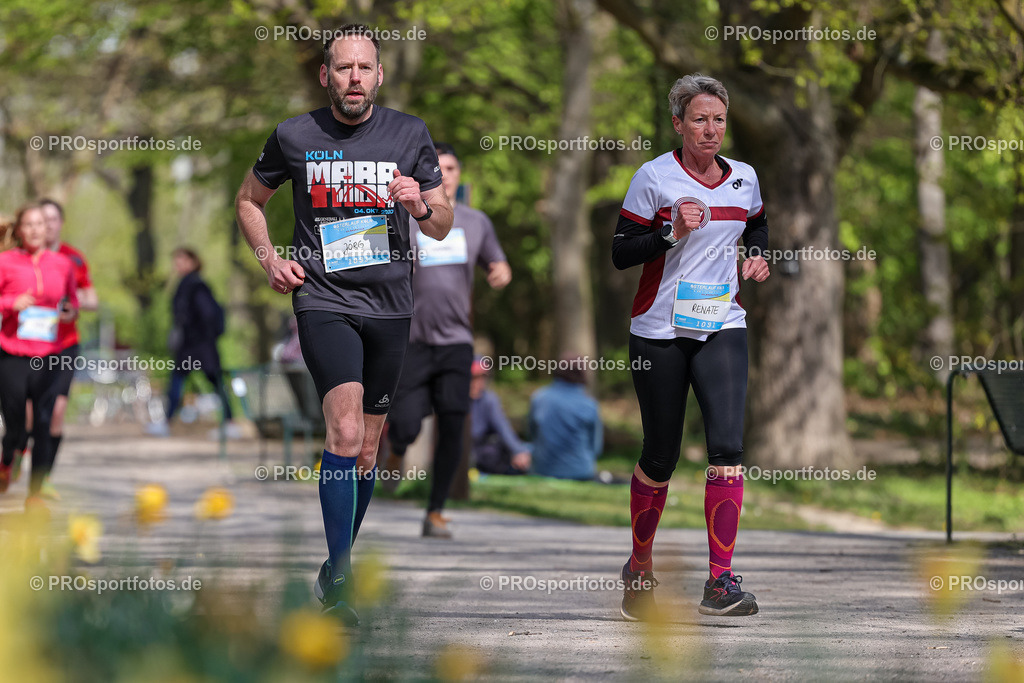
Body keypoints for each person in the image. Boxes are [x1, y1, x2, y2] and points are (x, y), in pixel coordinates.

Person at [234, 23, 453, 624]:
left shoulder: (410, 134)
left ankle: (334, 566)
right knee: (345, 432)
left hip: (390, 304)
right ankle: (345, 586)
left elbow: (441, 224)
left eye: (365, 67)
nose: (354, 78)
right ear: (325, 75)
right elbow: (249, 200)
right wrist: (269, 259)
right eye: (343, 67)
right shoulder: (294, 135)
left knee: (368, 448)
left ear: (379, 75)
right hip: (323, 300)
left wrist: (420, 204)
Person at [611, 74, 770, 621]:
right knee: (662, 453)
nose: (711, 129)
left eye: (719, 119)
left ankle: (720, 582)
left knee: (727, 448)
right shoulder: (652, 177)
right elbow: (620, 252)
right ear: (678, 123)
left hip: (723, 321)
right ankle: (639, 567)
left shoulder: (743, 178)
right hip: (659, 331)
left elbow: (758, 225)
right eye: (699, 119)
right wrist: (671, 233)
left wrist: (757, 254)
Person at [384, 142, 512, 538]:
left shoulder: (476, 222)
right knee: (405, 421)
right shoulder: (406, 220)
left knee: (454, 425)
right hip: (413, 338)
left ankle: (435, 511)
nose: (446, 173)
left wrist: (501, 273)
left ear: (458, 174)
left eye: (452, 167)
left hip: (457, 341)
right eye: (438, 167)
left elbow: (498, 262)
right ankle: (397, 449)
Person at [0, 202, 79, 509]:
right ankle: (10, 455)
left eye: (39, 225)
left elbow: (71, 303)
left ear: (48, 230)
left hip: (50, 352)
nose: (35, 230)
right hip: (12, 351)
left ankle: (35, 494)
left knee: (45, 420)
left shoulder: (63, 264)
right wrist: (10, 302)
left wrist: (70, 312)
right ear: (19, 230)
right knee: (17, 420)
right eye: (28, 225)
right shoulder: (5, 262)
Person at [21, 198, 98, 499]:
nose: (48, 225)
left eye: (53, 219)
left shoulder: (73, 259)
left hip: (63, 344)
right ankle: (16, 451)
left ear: (60, 223)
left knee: (56, 411)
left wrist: (69, 298)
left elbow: (92, 299)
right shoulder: (19, 257)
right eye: (42, 219)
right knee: (28, 413)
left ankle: (43, 478)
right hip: (25, 346)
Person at [147, 247, 237, 438]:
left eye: (181, 260)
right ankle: (167, 422)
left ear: (193, 262)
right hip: (192, 345)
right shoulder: (187, 284)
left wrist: (199, 334)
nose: (177, 264)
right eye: (176, 260)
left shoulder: (196, 285)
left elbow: (207, 314)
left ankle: (229, 423)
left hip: (200, 344)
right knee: (184, 380)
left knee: (211, 380)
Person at [526, 356, 603, 481]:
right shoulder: (589, 404)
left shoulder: (539, 398)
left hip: (542, 469)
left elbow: (531, 434)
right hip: (580, 471)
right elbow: (596, 447)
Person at [469, 358, 531, 475]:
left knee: (528, 449)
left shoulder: (489, 399)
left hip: (485, 453)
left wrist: (519, 451)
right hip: (468, 453)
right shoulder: (456, 400)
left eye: (482, 377)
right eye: (473, 378)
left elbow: (503, 428)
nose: (478, 383)